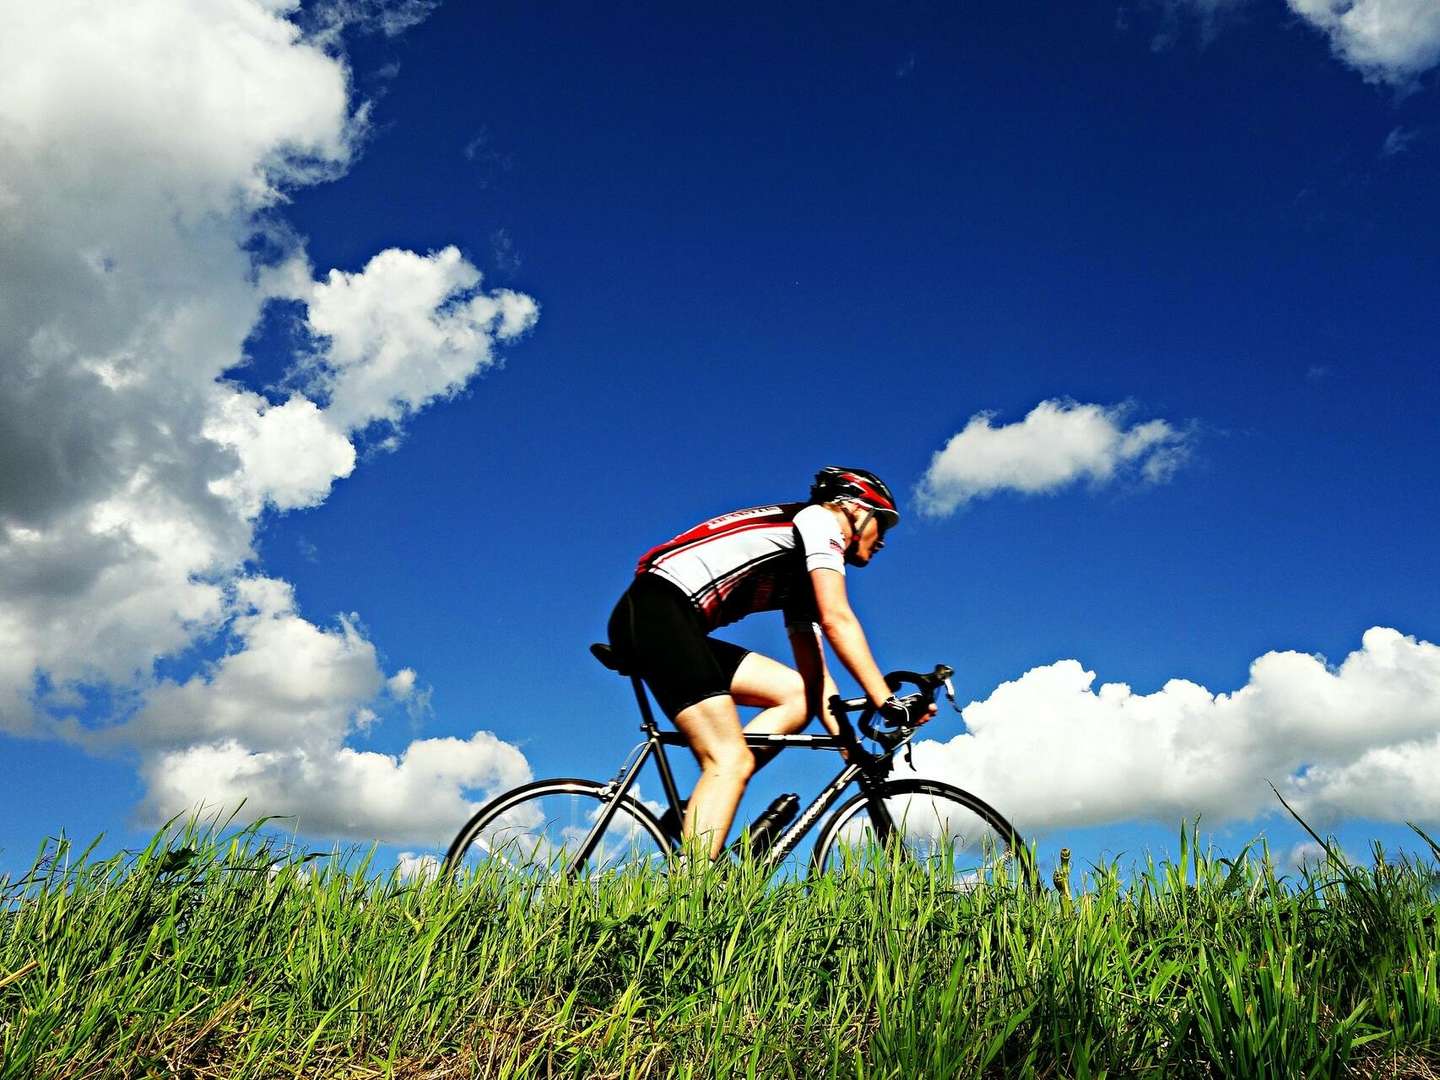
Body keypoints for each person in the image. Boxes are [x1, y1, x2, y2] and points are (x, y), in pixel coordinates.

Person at [606, 466, 936, 860]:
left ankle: (699, 804)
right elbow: (838, 618)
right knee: (729, 758)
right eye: (881, 524)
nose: (883, 540)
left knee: (795, 695)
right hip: (656, 611)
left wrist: (846, 740)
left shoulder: (801, 574)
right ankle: (690, 896)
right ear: (854, 509)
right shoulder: (821, 519)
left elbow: (815, 681)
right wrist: (886, 700)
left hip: (666, 618)